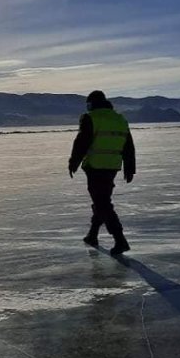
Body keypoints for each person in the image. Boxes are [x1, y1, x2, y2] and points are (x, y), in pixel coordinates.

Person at [68, 90, 136, 256]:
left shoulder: (90, 118)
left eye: (88, 103)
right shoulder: (119, 119)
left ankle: (120, 240)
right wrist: (130, 167)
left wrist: (73, 162)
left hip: (95, 166)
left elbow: (81, 142)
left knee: (102, 203)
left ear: (92, 103)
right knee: (102, 201)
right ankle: (93, 235)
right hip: (112, 166)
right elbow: (129, 145)